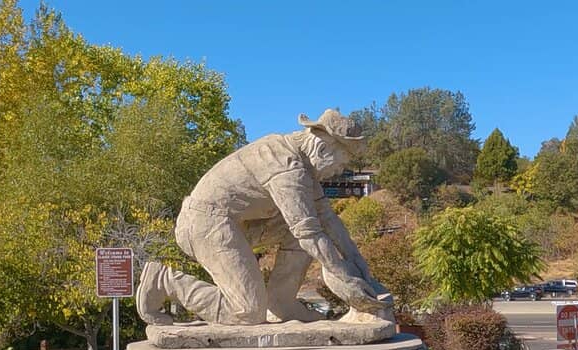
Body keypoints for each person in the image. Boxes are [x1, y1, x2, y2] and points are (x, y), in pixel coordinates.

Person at [137, 109, 391, 326]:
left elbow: (328, 219)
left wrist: (360, 266)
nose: (340, 171)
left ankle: (281, 302)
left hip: (236, 223)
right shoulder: (287, 166)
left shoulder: (304, 166)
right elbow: (309, 233)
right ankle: (165, 281)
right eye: (342, 163)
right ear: (323, 149)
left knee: (304, 227)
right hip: (206, 224)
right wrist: (346, 278)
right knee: (247, 312)